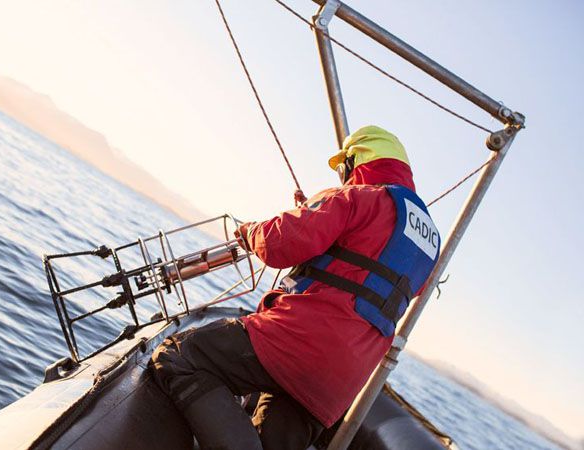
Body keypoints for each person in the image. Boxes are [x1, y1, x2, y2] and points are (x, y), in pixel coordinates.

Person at [150, 125, 440, 450]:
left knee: (178, 357)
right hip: (341, 384)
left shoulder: (358, 197)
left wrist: (251, 232)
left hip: (295, 344)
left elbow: (280, 244)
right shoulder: (430, 243)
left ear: (357, 161)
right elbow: (369, 273)